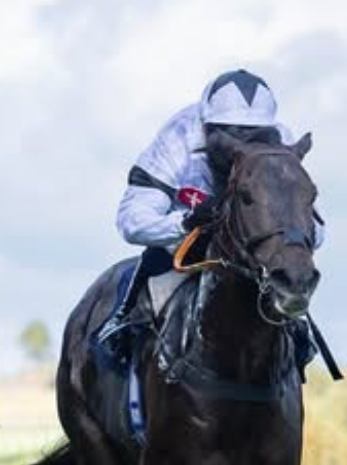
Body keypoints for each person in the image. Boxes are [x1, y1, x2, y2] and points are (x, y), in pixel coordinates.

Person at [97, 69, 320, 363]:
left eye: (255, 134)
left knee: (288, 306)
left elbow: (315, 227)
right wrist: (187, 222)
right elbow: (131, 222)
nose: (243, 144)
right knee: (154, 270)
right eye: (232, 133)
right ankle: (123, 324)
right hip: (184, 249)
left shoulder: (281, 144)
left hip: (251, 258)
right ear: (208, 127)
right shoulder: (176, 141)